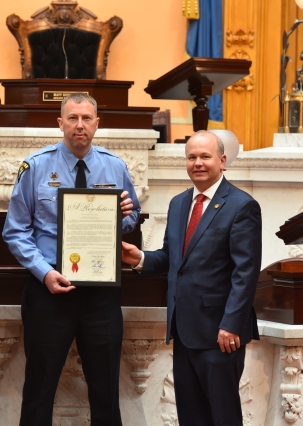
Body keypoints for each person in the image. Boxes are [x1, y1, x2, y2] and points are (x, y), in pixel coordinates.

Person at [3, 93, 140, 426]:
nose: (80, 125)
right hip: (49, 291)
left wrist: (122, 216)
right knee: (39, 388)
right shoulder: (35, 167)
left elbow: (131, 216)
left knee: (106, 391)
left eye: (87, 118)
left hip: (101, 292)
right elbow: (15, 231)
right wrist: (44, 272)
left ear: (97, 123)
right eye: (73, 118)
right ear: (60, 123)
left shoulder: (115, 166)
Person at [121, 131, 262, 426]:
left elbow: (246, 273)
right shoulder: (179, 203)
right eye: (192, 157)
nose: (198, 163)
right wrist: (141, 259)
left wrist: (231, 325)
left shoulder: (241, 206)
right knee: (191, 417)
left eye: (205, 157)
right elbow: (174, 259)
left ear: (222, 161)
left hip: (221, 335)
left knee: (222, 417)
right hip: (184, 330)